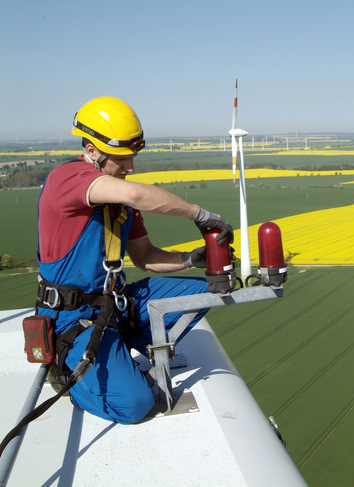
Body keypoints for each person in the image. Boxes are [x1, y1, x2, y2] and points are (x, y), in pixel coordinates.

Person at [36, 96, 233, 424]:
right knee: (135, 405)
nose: (130, 167)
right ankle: (72, 375)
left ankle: (120, 350)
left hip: (116, 305)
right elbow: (136, 192)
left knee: (205, 293)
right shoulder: (66, 179)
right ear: (91, 150)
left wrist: (189, 259)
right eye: (122, 159)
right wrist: (199, 215)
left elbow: (145, 257)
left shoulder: (120, 206)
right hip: (71, 318)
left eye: (133, 157)